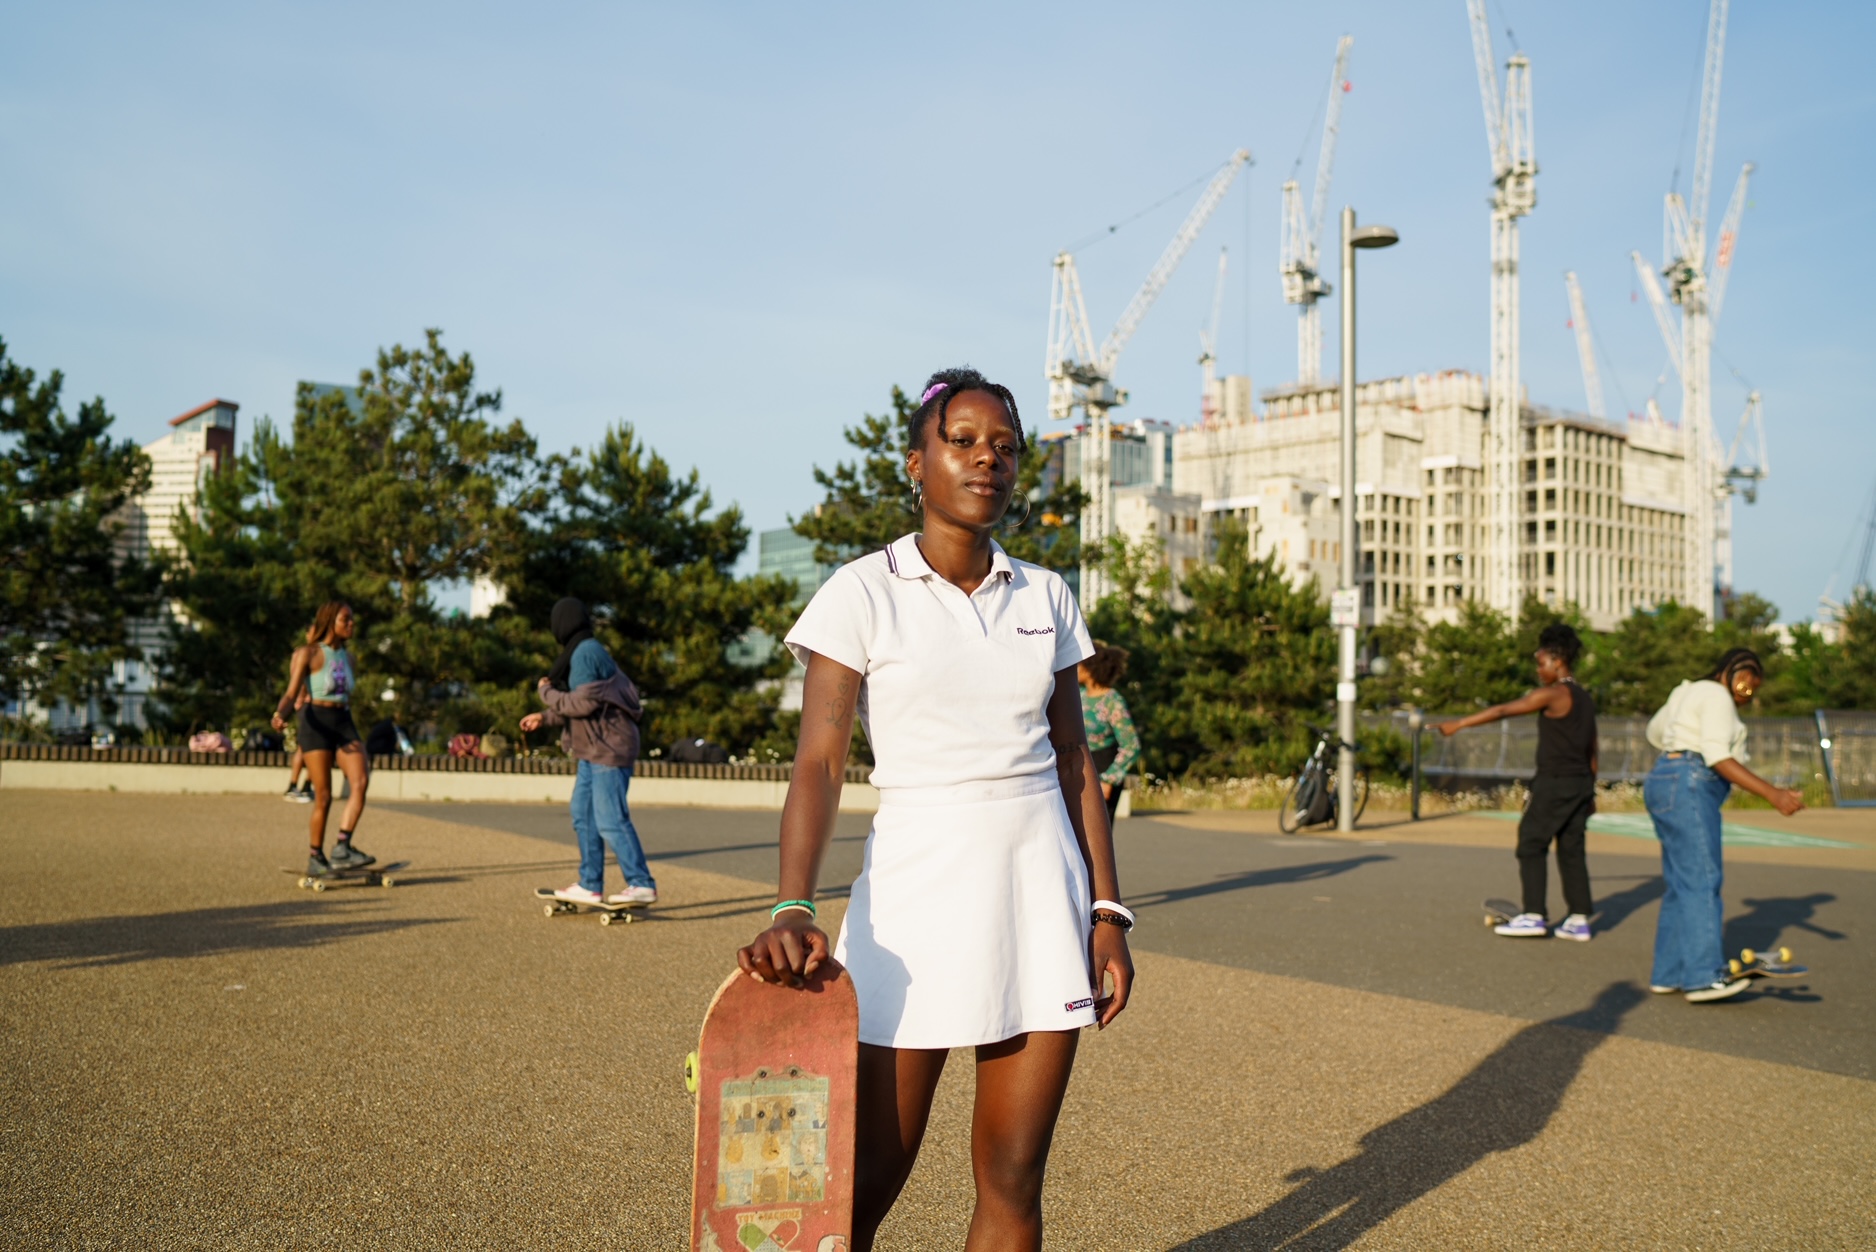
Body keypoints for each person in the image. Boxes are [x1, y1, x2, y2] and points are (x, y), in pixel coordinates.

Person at [737, 368, 1134, 1252]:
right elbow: (820, 761)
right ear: (917, 462)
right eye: (962, 441)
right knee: (867, 1177)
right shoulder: (861, 592)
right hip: (913, 910)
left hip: (1040, 898)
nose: (985, 460)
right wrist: (793, 904)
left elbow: (1074, 761)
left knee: (1014, 1177)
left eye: (1005, 448)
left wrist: (1107, 910)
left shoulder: (1046, 594)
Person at [1643, 648, 1804, 1003]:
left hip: (1662, 778)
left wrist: (1679, 744)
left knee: (1680, 884)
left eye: (1753, 689)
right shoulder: (1716, 695)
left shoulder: (1685, 690)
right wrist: (1773, 794)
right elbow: (1716, 755)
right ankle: (1702, 977)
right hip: (1691, 781)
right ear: (1732, 671)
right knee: (1702, 880)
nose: (1746, 692)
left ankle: (1668, 974)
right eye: (1746, 682)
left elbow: (1655, 732)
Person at [1435, 623, 1598, 940]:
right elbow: (1593, 748)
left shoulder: (1554, 694)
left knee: (1531, 843)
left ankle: (1534, 915)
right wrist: (1590, 789)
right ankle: (1579, 918)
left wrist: (1460, 723)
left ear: (1556, 659)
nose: (1539, 670)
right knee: (1571, 848)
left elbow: (1504, 710)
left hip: (1554, 782)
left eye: (1541, 663)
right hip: (1580, 783)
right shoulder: (1585, 698)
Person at [519, 598, 656, 907]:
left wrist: (545, 693)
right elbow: (584, 705)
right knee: (583, 815)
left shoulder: (584, 654)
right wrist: (545, 716)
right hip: (591, 749)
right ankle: (589, 883)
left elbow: (583, 704)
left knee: (609, 818)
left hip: (607, 748)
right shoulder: (582, 650)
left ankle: (641, 882)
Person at [270, 602, 373, 876]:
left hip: (344, 722)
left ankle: (342, 846)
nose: (351, 624)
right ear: (329, 621)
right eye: (345, 619)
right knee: (324, 796)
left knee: (360, 781)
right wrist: (281, 714)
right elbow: (292, 693)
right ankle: (316, 856)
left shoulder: (349, 658)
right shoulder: (309, 653)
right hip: (316, 722)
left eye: (352, 619)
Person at [1078, 641, 1140, 823]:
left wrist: (1109, 779)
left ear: (1090, 667)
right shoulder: (1078, 695)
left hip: (1103, 767)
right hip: (1080, 766)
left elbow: (1131, 745)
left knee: (1097, 831)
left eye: (1079, 663)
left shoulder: (1112, 701)